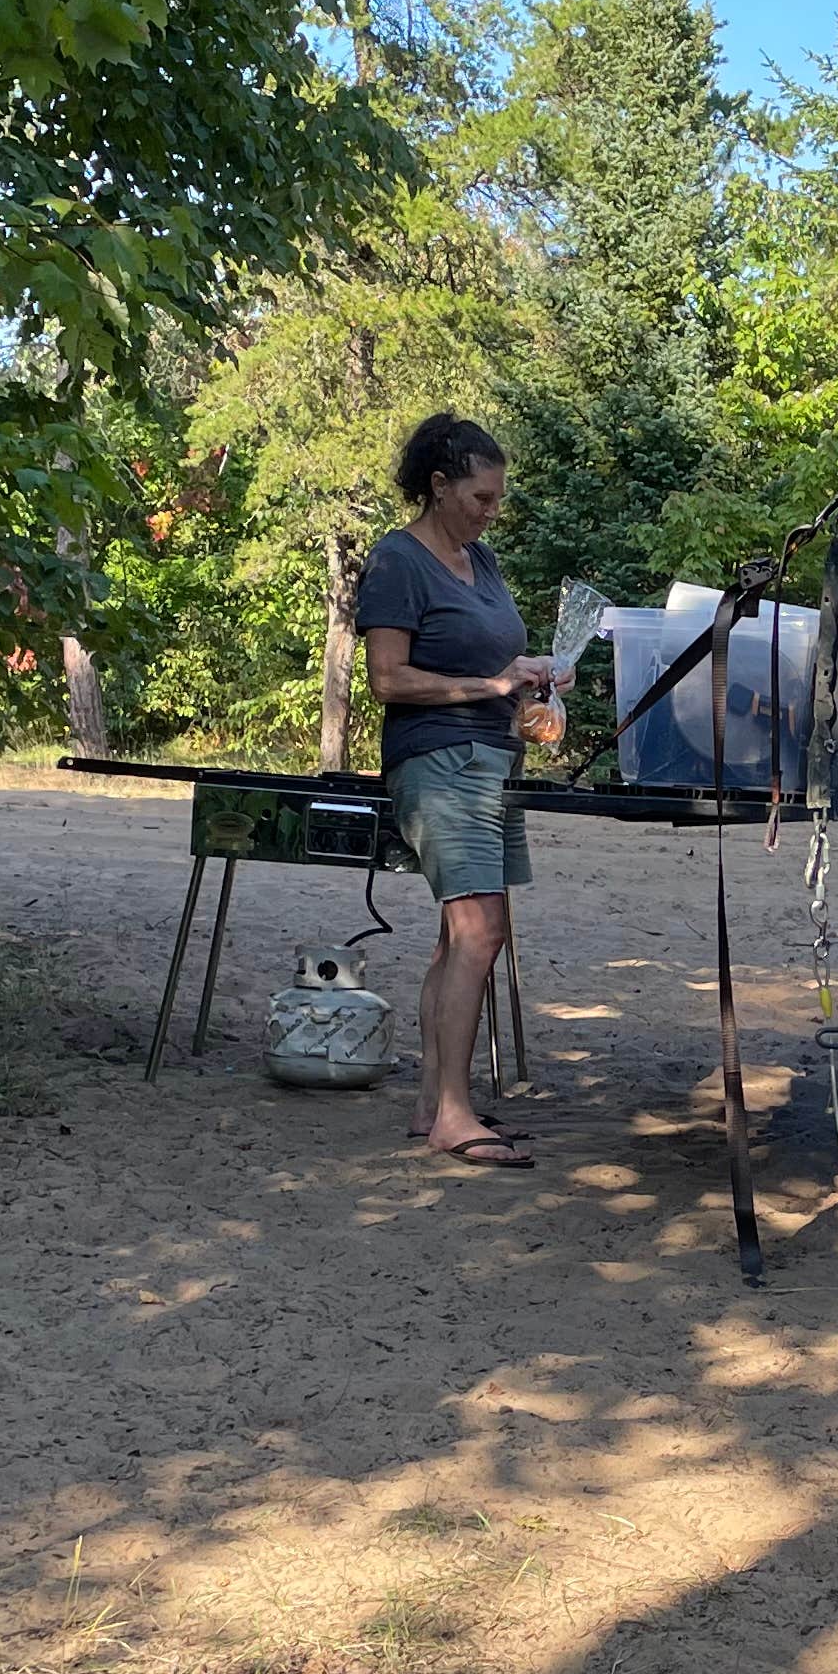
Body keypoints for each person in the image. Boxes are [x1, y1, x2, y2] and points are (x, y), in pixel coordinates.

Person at [357, 412, 556, 1168]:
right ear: (438, 486)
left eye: (498, 499)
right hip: (438, 764)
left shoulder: (486, 562)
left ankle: (429, 1103)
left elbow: (496, 658)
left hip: (494, 758)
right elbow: (387, 679)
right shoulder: (397, 562)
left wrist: (533, 675)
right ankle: (452, 1114)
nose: (490, 511)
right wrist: (491, 683)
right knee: (478, 934)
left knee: (461, 935)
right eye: (480, 496)